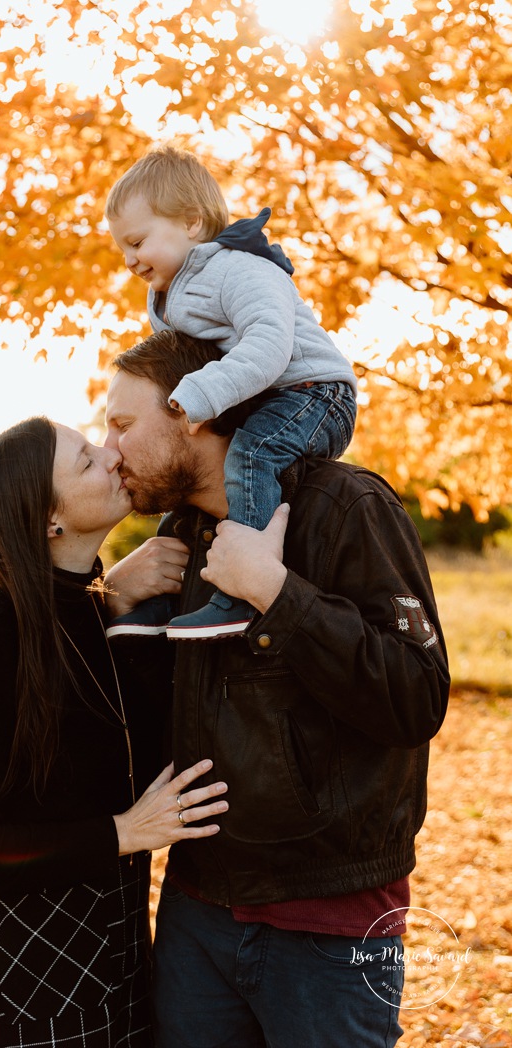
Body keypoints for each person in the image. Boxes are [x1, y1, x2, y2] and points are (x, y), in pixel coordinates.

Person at [104, 331, 451, 1048]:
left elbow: (415, 695)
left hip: (327, 918)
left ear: (193, 413)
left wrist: (274, 590)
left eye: (121, 425)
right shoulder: (180, 537)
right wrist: (109, 601)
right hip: (197, 907)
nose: (110, 450)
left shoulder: (344, 506)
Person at [0, 416, 229, 1048]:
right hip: (22, 967)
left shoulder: (87, 607)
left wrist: (111, 595)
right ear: (47, 520)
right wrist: (124, 832)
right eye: (87, 460)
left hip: (112, 942)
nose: (113, 454)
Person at [105, 145, 358, 639]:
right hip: (268, 397)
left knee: (252, 454)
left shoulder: (240, 268)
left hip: (315, 394)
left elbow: (270, 345)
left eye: (137, 242)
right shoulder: (167, 295)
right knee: (189, 484)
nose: (130, 260)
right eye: (123, 250)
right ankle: (168, 597)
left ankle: (238, 593)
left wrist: (199, 393)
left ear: (193, 223)